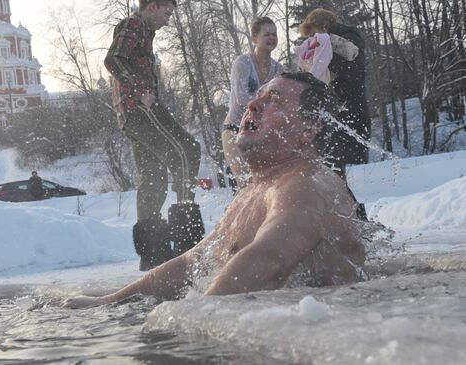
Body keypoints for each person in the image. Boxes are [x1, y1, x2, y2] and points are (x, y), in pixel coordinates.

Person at [62, 72, 368, 309]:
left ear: (309, 129)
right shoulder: (259, 187)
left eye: (273, 99)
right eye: (256, 96)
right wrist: (112, 301)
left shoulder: (305, 184)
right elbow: (194, 261)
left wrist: (195, 317)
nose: (252, 105)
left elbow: (270, 257)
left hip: (321, 329)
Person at [104, 0, 205, 271]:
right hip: (140, 109)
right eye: (166, 13)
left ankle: (153, 254)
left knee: (154, 177)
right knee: (187, 150)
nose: (168, 20)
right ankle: (187, 240)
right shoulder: (134, 24)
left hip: (132, 113)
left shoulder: (143, 32)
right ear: (152, 8)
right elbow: (113, 59)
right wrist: (140, 89)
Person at [299, 8, 371, 178]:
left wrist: (325, 47)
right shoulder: (322, 44)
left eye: (313, 31)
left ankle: (349, 203)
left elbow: (353, 67)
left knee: (336, 163)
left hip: (351, 107)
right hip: (336, 109)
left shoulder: (348, 36)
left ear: (322, 25)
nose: (311, 37)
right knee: (331, 165)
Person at [222, 17, 285, 189]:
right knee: (246, 186)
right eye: (267, 34)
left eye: (274, 34)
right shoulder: (242, 63)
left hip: (261, 132)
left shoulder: (279, 69)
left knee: (265, 186)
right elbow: (241, 98)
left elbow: (279, 101)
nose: (272, 38)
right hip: (235, 129)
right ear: (254, 38)